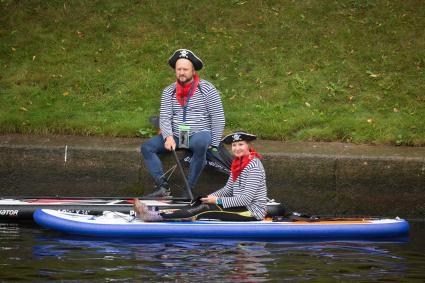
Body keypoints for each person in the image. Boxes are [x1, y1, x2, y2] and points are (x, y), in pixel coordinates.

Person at [141, 49, 225, 198]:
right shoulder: (169, 91)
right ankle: (163, 188)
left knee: (201, 143)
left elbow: (218, 116)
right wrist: (168, 136)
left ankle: (189, 189)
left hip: (198, 133)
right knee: (147, 147)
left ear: (193, 70)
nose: (181, 72)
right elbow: (165, 117)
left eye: (185, 69)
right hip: (177, 135)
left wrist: (215, 143)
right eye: (178, 69)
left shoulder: (207, 89)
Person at [134, 131, 268, 221]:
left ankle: (157, 217)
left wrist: (217, 201)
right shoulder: (238, 164)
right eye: (234, 145)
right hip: (240, 206)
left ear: (248, 146)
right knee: (199, 202)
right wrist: (210, 197)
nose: (237, 148)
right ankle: (156, 214)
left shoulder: (253, 167)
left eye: (241, 144)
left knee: (204, 210)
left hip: (252, 212)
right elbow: (228, 190)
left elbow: (245, 199)